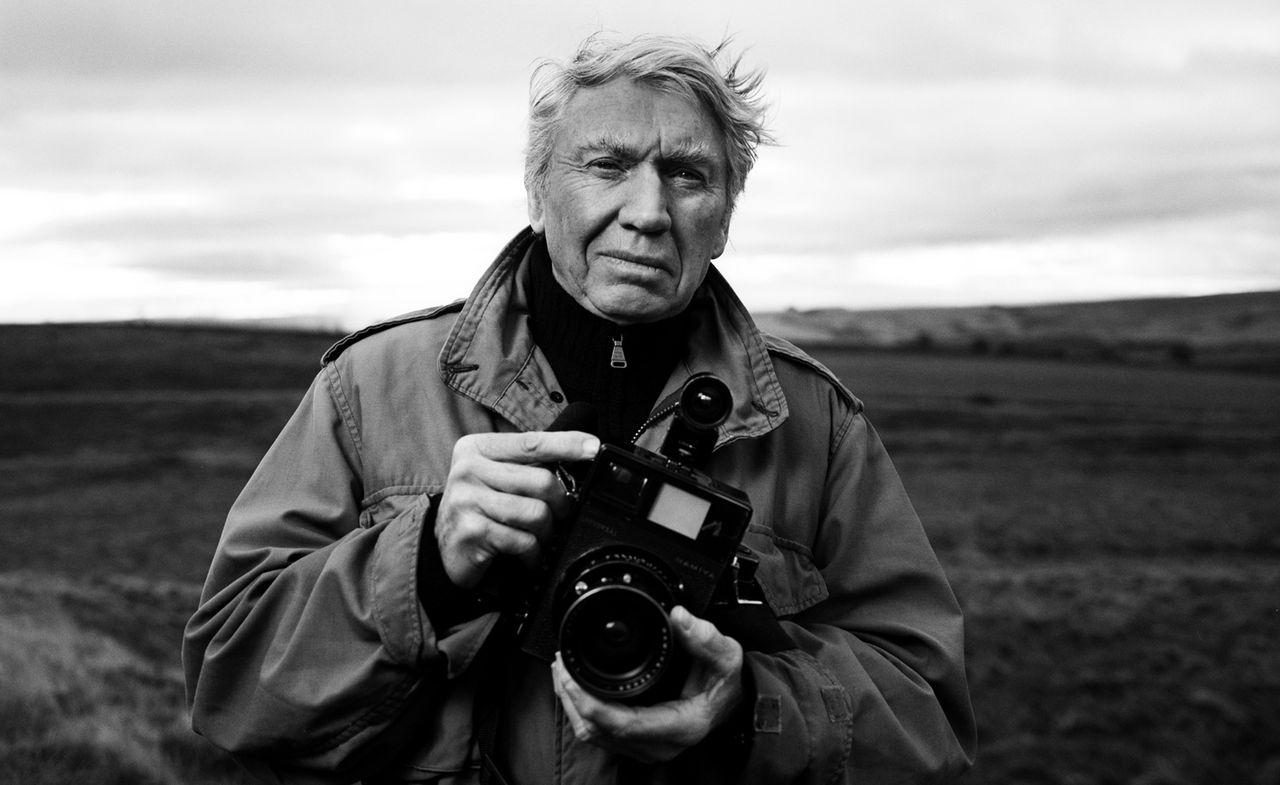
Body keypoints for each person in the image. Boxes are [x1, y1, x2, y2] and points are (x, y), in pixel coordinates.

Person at [183, 33, 976, 785]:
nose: (648, 211)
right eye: (607, 164)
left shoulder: (818, 423)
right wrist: (423, 566)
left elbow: (928, 721)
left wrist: (742, 712)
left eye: (689, 175)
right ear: (537, 191)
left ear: (727, 214)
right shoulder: (369, 387)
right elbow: (230, 684)